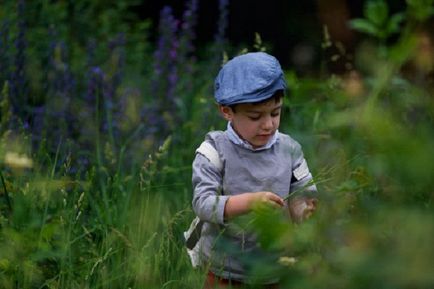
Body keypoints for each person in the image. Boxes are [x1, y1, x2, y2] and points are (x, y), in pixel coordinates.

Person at [192, 52, 317, 288]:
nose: (268, 124)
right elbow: (203, 204)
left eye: (275, 113)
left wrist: (305, 210)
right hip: (225, 268)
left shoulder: (289, 148)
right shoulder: (213, 151)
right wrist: (249, 202)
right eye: (255, 116)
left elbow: (302, 191)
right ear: (227, 111)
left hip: (276, 266)